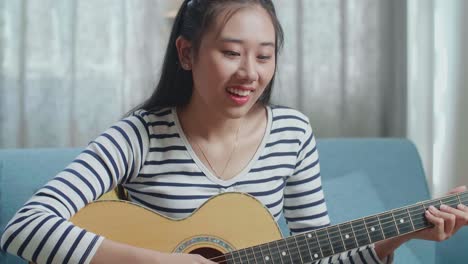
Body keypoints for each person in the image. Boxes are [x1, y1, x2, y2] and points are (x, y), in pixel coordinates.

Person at [1, 0, 468, 263]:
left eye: (264, 56)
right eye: (231, 52)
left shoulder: (292, 133)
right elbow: (24, 228)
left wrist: (393, 240)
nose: (250, 73)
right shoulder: (138, 136)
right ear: (186, 54)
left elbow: (317, 257)